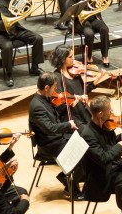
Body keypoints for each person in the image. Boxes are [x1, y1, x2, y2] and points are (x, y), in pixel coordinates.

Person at [28, 71, 84, 199]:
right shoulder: (37, 106)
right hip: (48, 145)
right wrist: (68, 125)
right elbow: (51, 128)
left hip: (56, 139)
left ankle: (67, 177)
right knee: (81, 155)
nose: (56, 90)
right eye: (54, 87)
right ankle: (71, 187)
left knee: (85, 144)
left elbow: (54, 117)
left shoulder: (45, 99)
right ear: (46, 88)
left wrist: (67, 104)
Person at [80, 96, 122, 201]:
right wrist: (120, 146)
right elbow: (103, 158)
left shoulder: (106, 125)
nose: (112, 111)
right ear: (100, 114)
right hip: (105, 177)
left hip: (118, 167)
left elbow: (112, 143)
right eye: (109, 109)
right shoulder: (87, 135)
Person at [67, 0, 110, 66]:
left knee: (105, 29)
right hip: (81, 21)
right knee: (89, 34)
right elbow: (70, 8)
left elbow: (104, 4)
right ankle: (89, 56)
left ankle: (105, 56)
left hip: (94, 18)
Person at [50, 45, 95, 129]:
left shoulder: (75, 73)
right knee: (87, 133)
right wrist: (76, 98)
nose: (73, 59)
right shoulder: (56, 77)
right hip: (71, 115)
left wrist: (97, 81)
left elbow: (83, 92)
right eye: (70, 57)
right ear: (63, 59)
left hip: (83, 110)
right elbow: (60, 100)